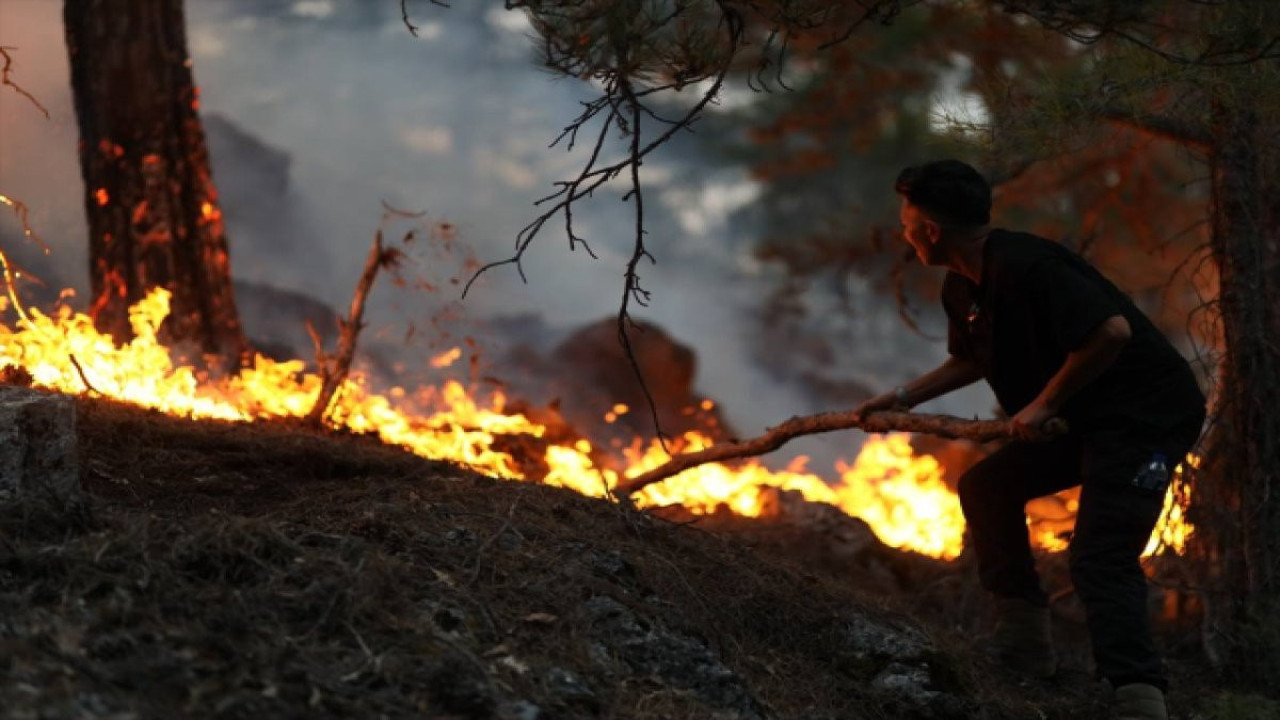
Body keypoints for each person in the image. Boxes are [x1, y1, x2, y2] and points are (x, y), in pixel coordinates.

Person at [853, 160, 1205, 720]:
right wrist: (902, 397)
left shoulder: (1027, 265)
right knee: (988, 487)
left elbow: (1109, 334)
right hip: (1082, 419)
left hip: (1146, 418)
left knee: (1099, 556)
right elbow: (970, 358)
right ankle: (1024, 648)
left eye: (906, 219)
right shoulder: (961, 286)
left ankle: (1138, 695)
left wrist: (1044, 403)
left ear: (932, 229)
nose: (902, 230)